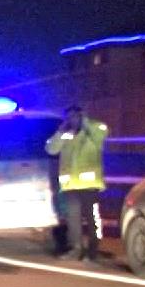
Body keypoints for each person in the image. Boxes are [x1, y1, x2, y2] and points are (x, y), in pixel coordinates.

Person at [45, 105, 107, 263]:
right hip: (71, 186)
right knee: (73, 221)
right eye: (68, 117)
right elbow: (51, 149)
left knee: (93, 219)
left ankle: (93, 250)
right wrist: (60, 131)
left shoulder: (93, 131)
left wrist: (85, 122)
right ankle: (76, 248)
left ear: (82, 116)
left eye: (74, 116)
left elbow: (101, 135)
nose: (71, 120)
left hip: (89, 186)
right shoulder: (66, 135)